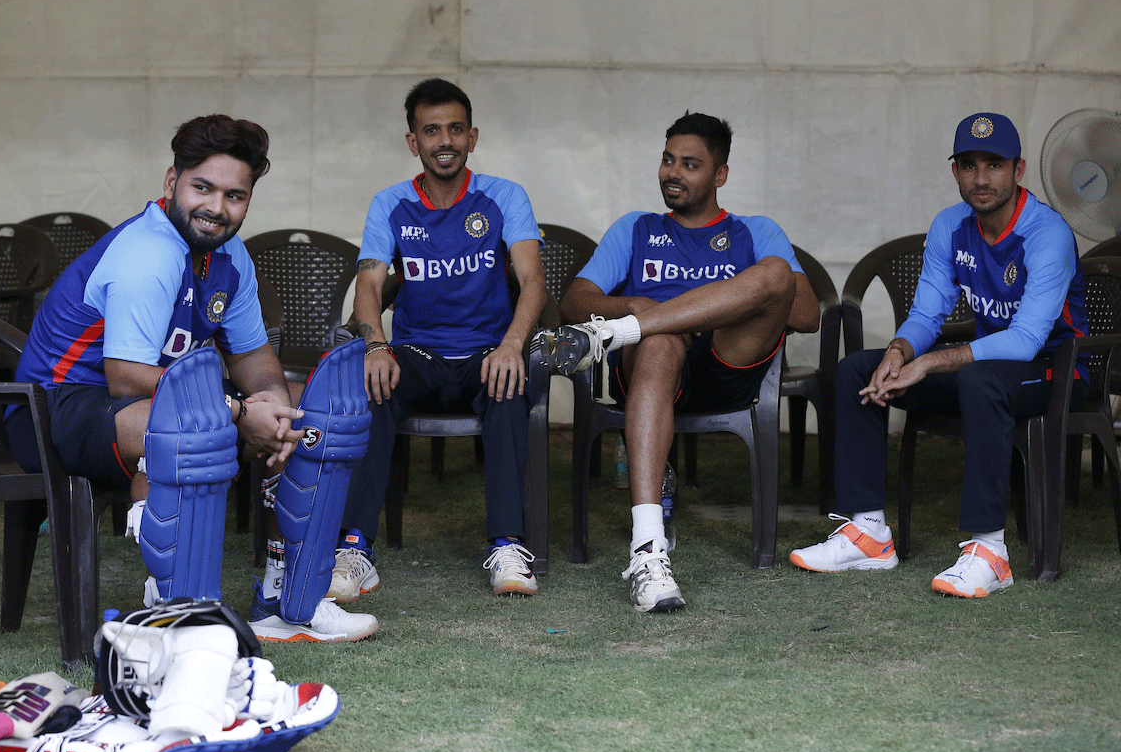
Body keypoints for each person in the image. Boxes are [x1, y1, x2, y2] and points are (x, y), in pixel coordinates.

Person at [5, 114, 378, 642]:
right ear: (171, 182)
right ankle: (171, 610)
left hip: (150, 406)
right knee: (191, 427)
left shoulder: (231, 257)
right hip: (54, 409)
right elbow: (124, 379)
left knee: (315, 414)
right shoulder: (147, 252)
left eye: (234, 196)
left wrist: (274, 413)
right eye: (202, 187)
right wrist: (237, 411)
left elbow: (256, 364)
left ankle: (289, 598)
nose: (216, 208)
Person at [790, 112, 1087, 598]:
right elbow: (928, 313)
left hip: (1059, 371)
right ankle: (868, 534)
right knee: (857, 370)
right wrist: (899, 350)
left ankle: (990, 553)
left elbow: (1028, 339)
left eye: (994, 165)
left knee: (980, 379)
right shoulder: (951, 225)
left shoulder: (1046, 232)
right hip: (990, 371)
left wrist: (927, 362)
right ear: (955, 172)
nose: (981, 177)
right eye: (968, 165)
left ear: (1019, 169)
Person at [537, 112, 820, 613]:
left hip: (727, 362)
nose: (674, 172)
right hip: (651, 369)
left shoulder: (753, 231)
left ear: (721, 174)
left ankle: (617, 335)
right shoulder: (636, 229)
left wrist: (696, 310)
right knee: (662, 341)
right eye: (668, 159)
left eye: (691, 164)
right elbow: (575, 303)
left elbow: (805, 312)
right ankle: (648, 551)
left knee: (775, 273)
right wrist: (640, 309)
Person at [327, 78, 547, 600]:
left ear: (472, 137)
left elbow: (534, 280)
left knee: (507, 385)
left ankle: (509, 548)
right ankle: (355, 549)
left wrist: (513, 345)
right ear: (413, 142)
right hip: (418, 352)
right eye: (431, 131)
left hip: (487, 351)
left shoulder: (503, 195)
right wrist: (376, 346)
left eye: (454, 129)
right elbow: (371, 284)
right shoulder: (391, 203)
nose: (443, 141)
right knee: (373, 384)